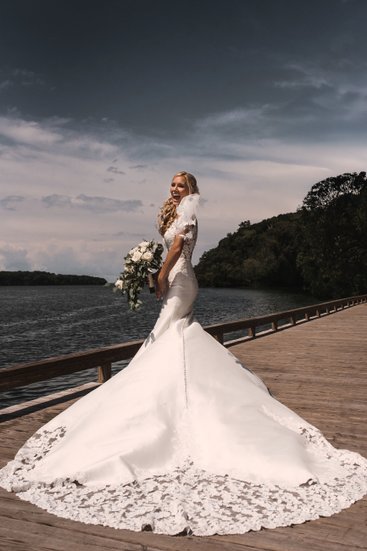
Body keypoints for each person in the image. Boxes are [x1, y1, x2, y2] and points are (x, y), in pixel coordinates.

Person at [0, 171, 366, 536]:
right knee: (171, 337)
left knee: (168, 335)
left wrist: (159, 276)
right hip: (178, 278)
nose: (175, 190)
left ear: (191, 190)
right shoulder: (176, 211)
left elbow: (177, 248)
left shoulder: (189, 211)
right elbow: (170, 245)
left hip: (180, 279)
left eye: (181, 185)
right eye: (172, 185)